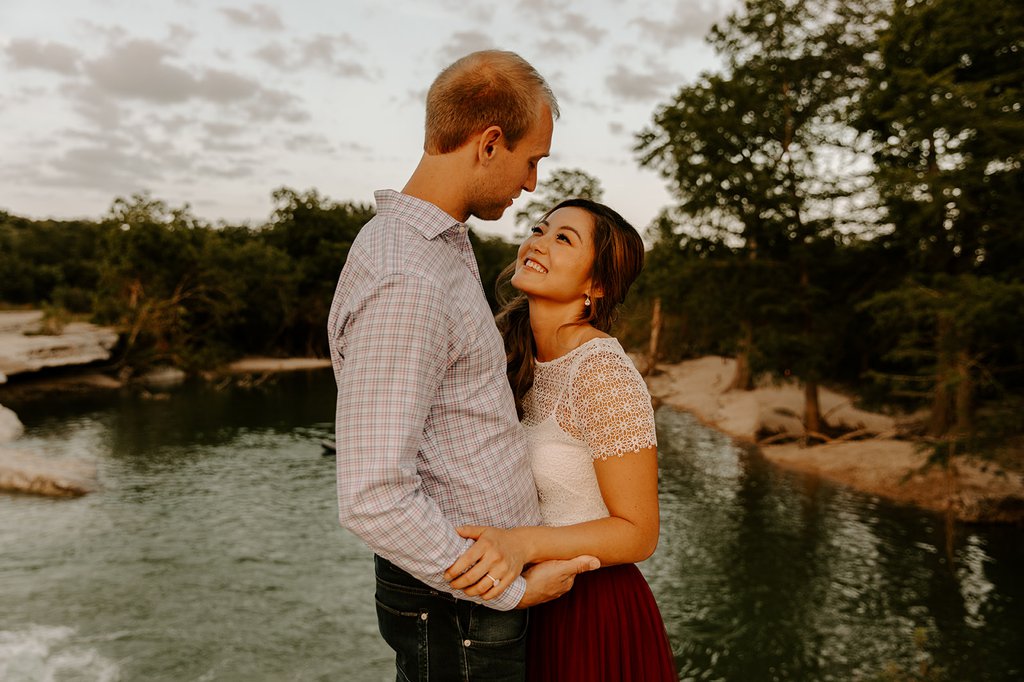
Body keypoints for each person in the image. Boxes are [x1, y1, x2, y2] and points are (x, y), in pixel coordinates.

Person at [328, 50, 600, 681]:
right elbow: (371, 497)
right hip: (459, 607)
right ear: (489, 143)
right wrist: (506, 593)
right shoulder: (408, 275)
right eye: (532, 160)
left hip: (465, 597)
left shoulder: (437, 248)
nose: (531, 183)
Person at [444, 199, 677, 681]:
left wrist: (522, 544)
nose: (538, 242)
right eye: (539, 229)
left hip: (592, 609)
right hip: (526, 601)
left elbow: (639, 532)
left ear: (597, 285)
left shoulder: (603, 372)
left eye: (563, 239)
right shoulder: (506, 352)